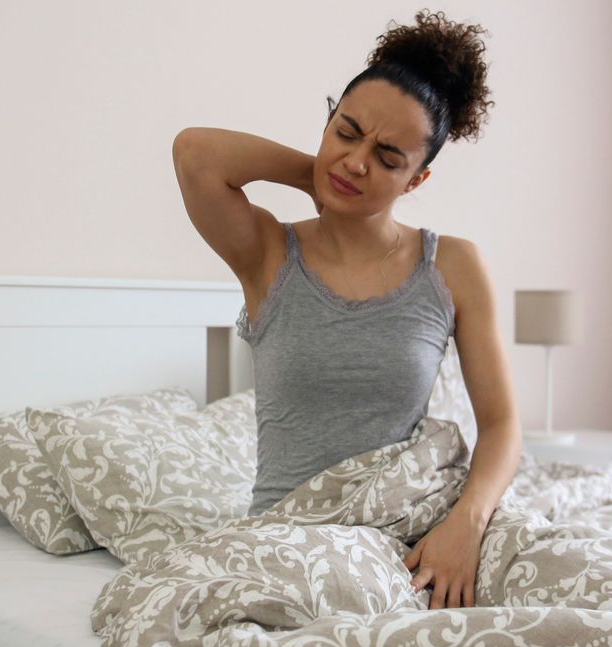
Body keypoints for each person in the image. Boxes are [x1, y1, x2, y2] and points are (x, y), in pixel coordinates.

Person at [171, 9, 523, 611]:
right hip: (293, 540)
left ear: (416, 180)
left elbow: (502, 424)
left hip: (424, 527)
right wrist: (318, 178)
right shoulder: (267, 254)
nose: (357, 161)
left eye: (387, 158)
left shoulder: (454, 265)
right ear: (328, 122)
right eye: (346, 132)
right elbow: (195, 153)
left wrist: (466, 525)